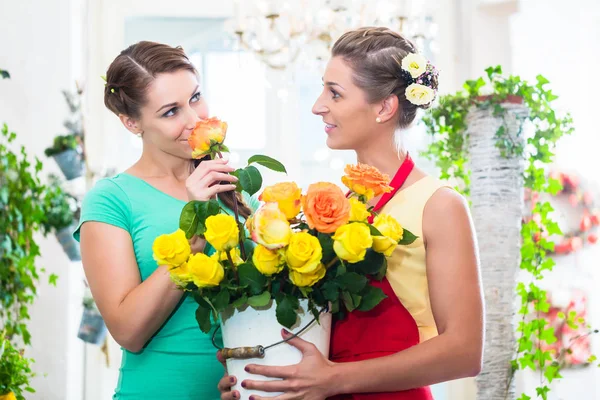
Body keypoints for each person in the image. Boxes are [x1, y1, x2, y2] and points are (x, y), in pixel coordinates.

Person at [218, 27, 484, 400]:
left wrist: (334, 379)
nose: (317, 106)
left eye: (335, 93)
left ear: (385, 107)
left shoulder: (439, 205)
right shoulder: (332, 207)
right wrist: (258, 381)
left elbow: (464, 352)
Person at [75, 41, 257, 399]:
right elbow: (128, 331)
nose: (194, 120)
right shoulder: (112, 200)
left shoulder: (234, 186)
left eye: (195, 97)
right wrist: (194, 231)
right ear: (132, 123)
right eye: (171, 112)